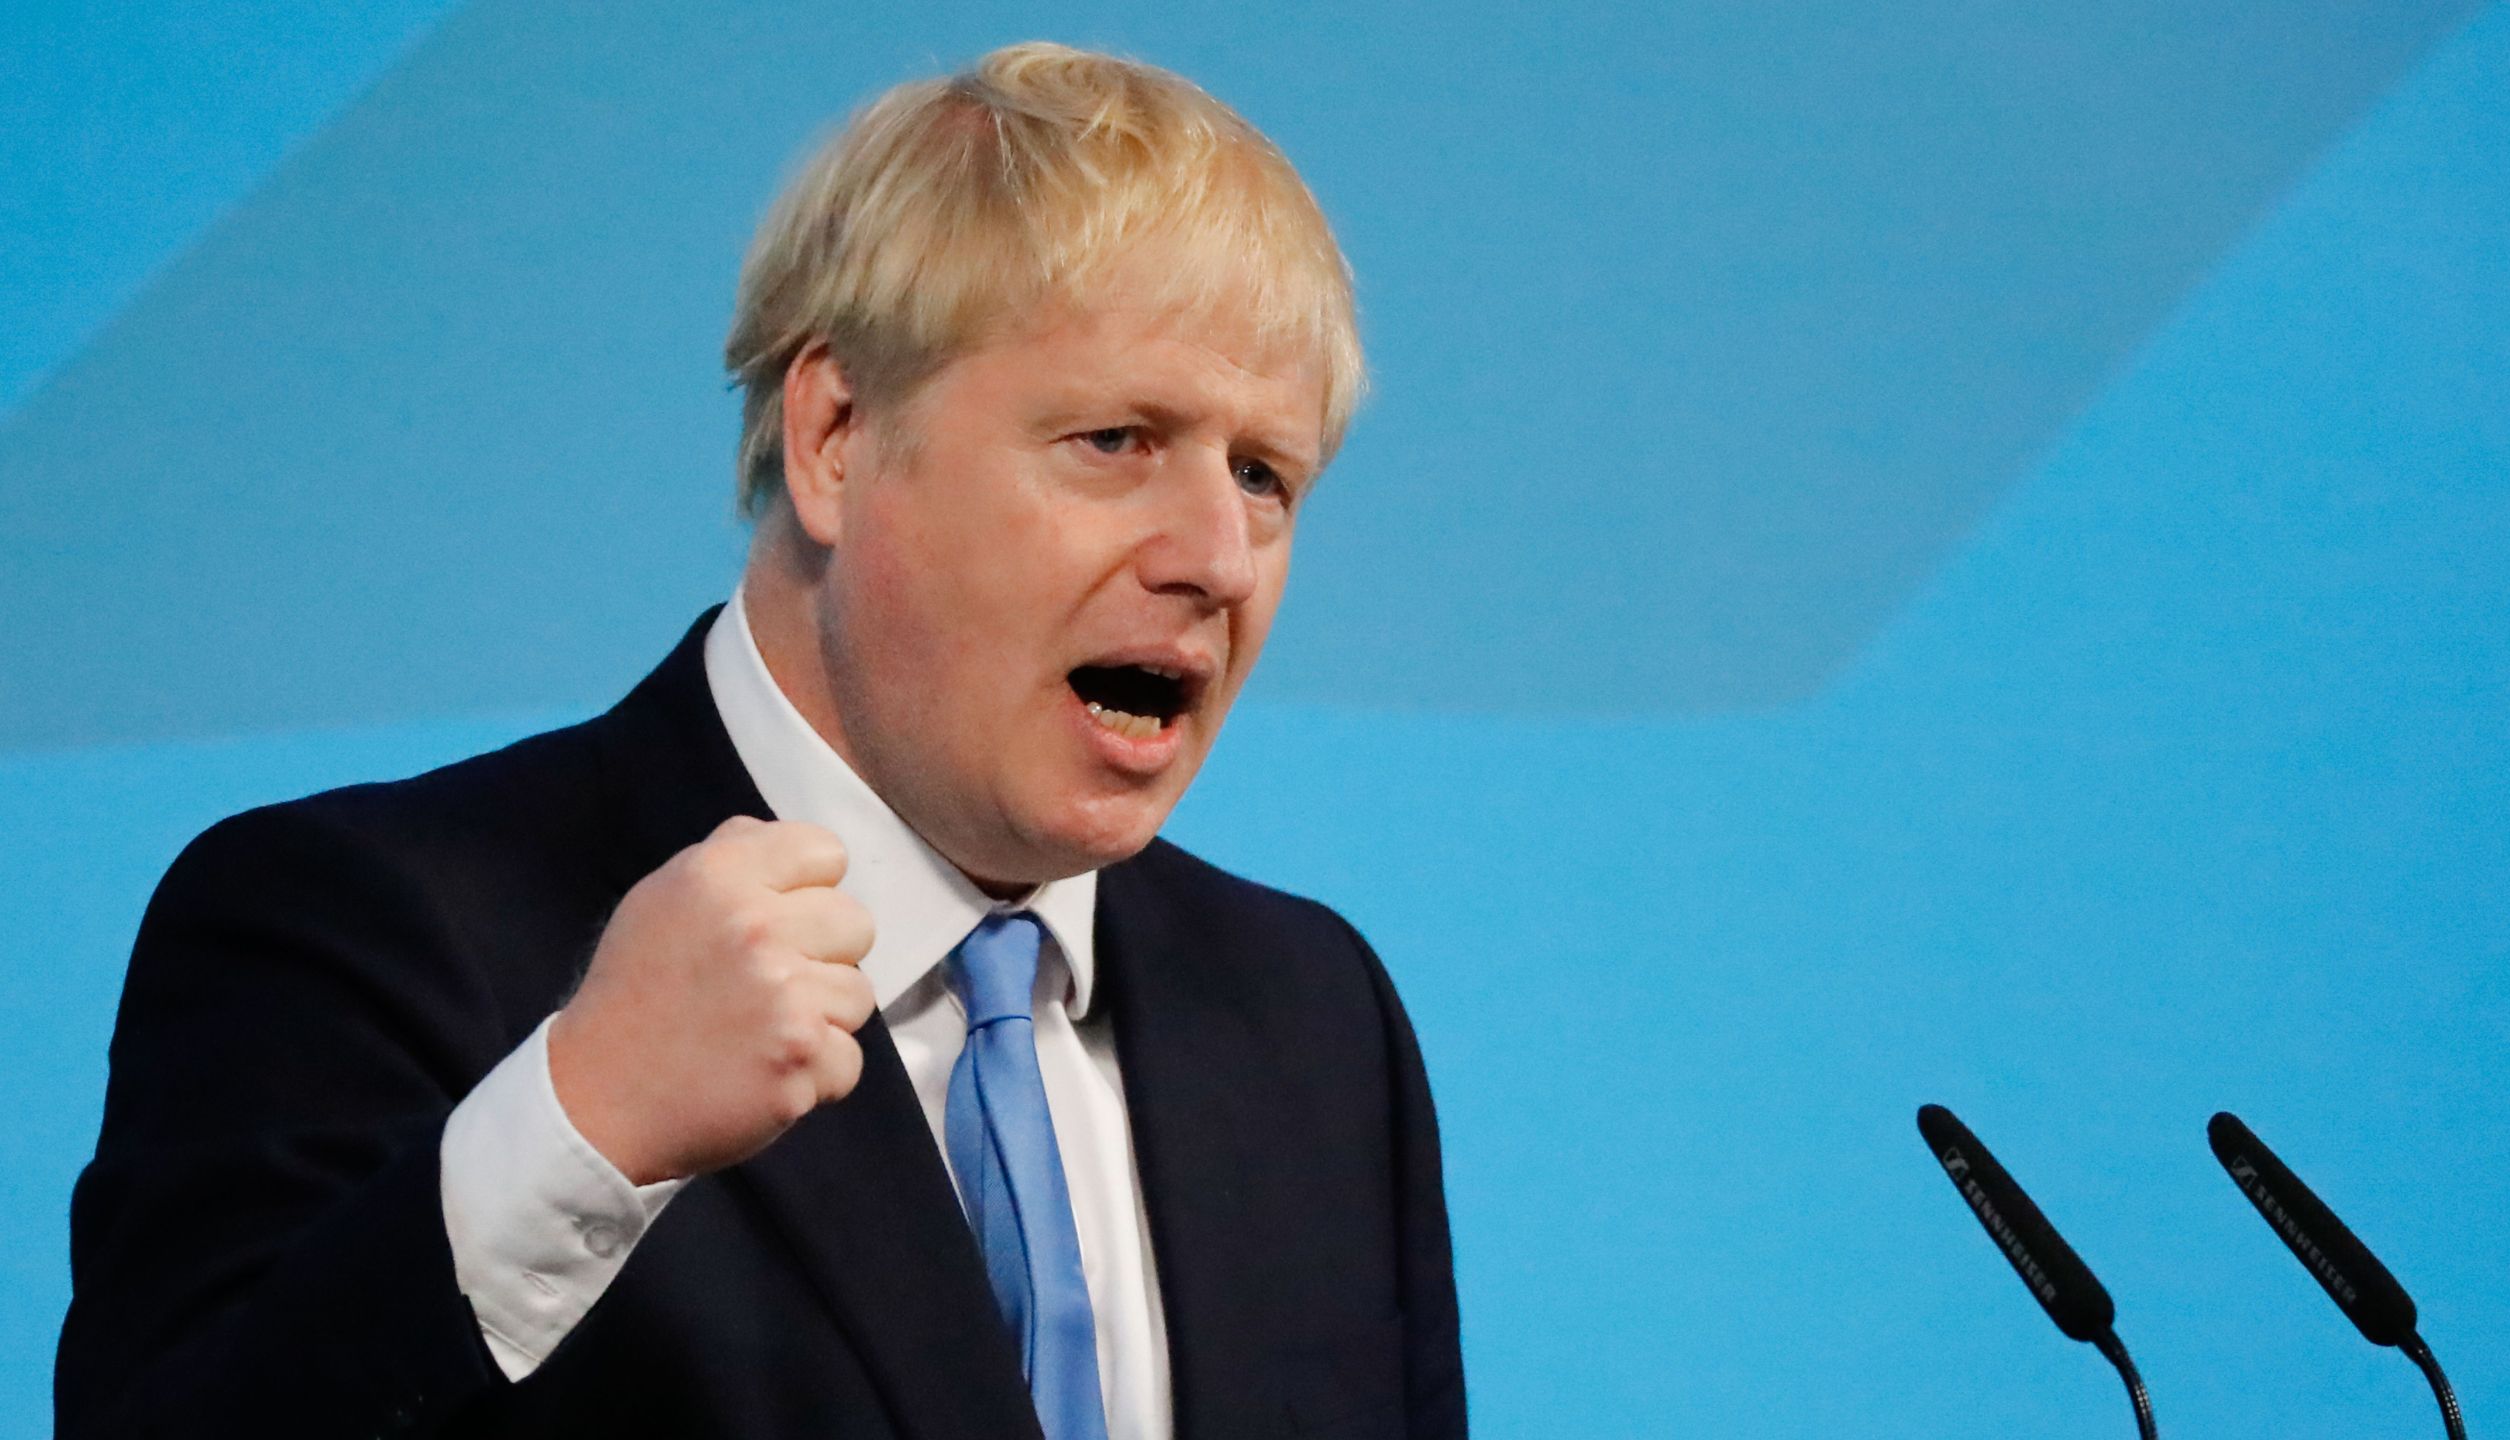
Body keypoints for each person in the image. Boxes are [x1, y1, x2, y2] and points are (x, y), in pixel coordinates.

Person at [55, 42, 1463, 1440]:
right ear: (838, 435)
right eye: (1115, 441)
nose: (1218, 554)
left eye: (1265, 475)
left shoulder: (1314, 1022)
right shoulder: (358, 932)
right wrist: (573, 1131)